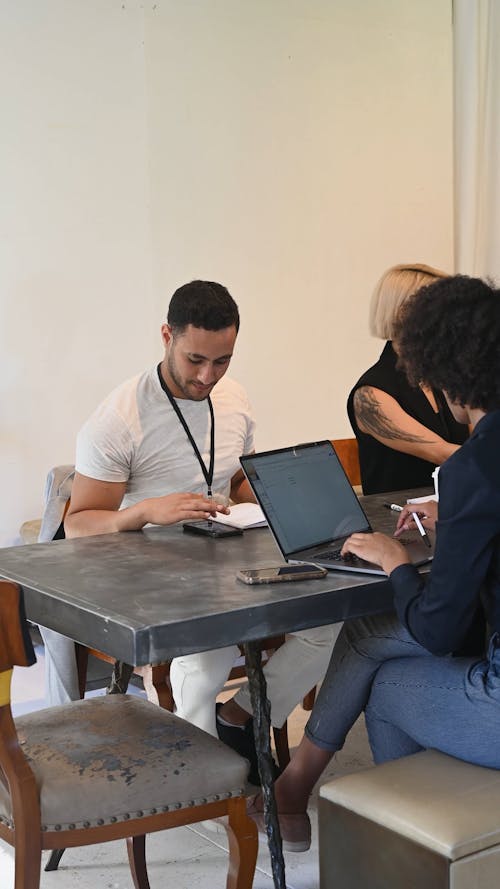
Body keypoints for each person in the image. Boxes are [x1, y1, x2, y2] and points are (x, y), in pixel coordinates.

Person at [47, 279, 337, 782]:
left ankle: (240, 717)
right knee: (203, 664)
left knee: (330, 622)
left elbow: (237, 480)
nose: (208, 377)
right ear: (167, 336)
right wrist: (145, 512)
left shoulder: (235, 399)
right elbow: (79, 525)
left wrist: (282, 494)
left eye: (222, 362)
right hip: (152, 573)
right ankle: (212, 792)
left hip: (228, 556)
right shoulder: (118, 419)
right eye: (196, 360)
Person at [249, 274, 500, 851]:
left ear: (439, 371)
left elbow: (438, 629)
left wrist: (395, 562)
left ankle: (413, 849)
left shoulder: (475, 466)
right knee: (369, 635)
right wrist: (459, 523)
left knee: (386, 685)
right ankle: (298, 795)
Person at [347, 263, 469, 494]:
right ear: (404, 312)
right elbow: (440, 453)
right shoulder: (370, 394)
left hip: (449, 507)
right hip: (400, 521)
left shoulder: (442, 379)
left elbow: (479, 435)